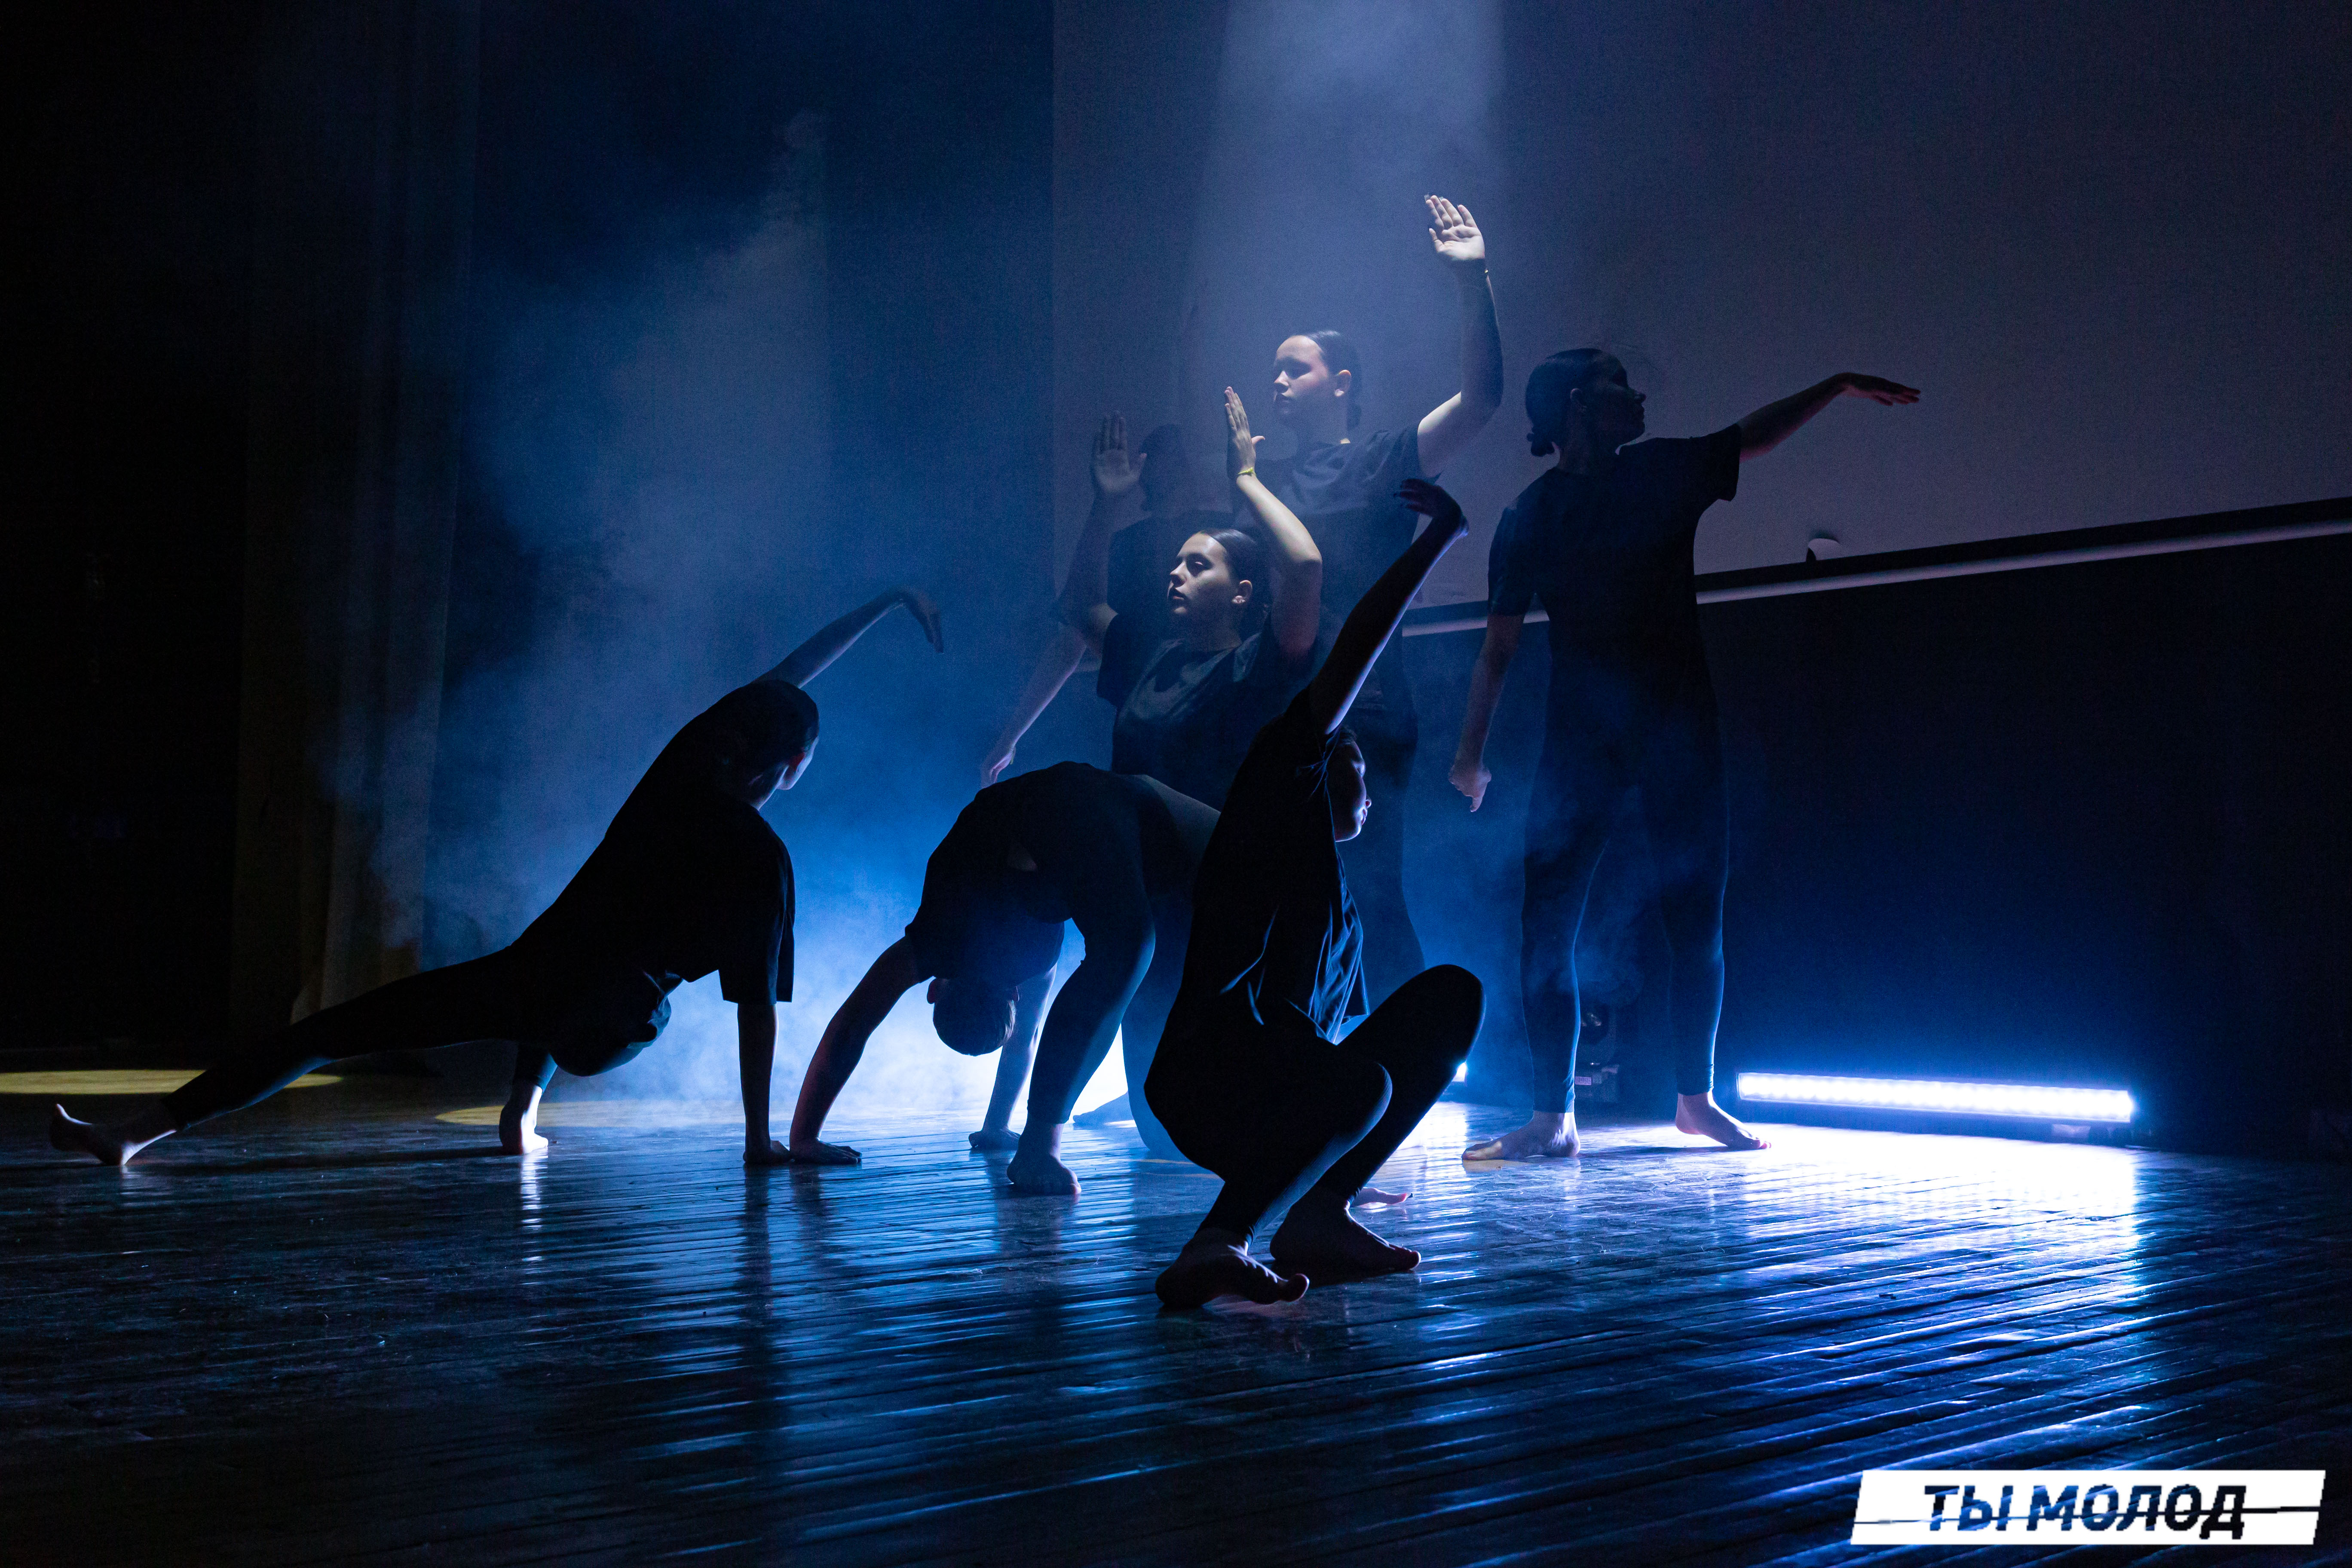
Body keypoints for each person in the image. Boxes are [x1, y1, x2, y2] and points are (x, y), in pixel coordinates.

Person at [47, 587, 944, 1168]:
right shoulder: (760, 860)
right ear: (792, 767)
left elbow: (785, 677)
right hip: (611, 1023)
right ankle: (521, 1114)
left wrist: (887, 601)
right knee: (578, 972)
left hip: (549, 987)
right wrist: (761, 1142)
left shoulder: (686, 767)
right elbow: (754, 1013)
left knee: (339, 1029)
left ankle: (136, 1133)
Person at [1452, 352, 1920, 1160]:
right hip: (1582, 742)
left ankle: (1695, 1102)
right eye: (1618, 385)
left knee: (1696, 920)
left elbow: (1751, 437)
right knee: (1546, 925)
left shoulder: (1661, 470)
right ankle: (1551, 1116)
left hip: (1678, 733)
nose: (1637, 396)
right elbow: (1497, 648)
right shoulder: (1530, 515)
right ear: (1577, 404)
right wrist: (1470, 752)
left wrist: (1834, 384)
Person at [1148, 477, 1485, 1310]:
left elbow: (1330, 1042)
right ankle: (1216, 1243)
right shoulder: (1277, 789)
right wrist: (1434, 542)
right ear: (1325, 760)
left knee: (1449, 996)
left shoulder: (1341, 912)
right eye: (1354, 759)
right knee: (1356, 1083)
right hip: (1206, 1078)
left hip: (1273, 1085)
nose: (1367, 782)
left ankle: (1317, 1214)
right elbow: (1351, 657)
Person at [1246, 195, 1505, 1008]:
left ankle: (1402, 1057)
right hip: (1279, 710)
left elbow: (1480, 404)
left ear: (1342, 383)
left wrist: (1471, 281)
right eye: (1274, 370)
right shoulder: (1262, 480)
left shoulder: (1384, 458)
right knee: (1274, 893)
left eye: (1295, 368)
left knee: (1371, 892)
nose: (1278, 381)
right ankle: (1296, 1049)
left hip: (1368, 708)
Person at [780, 763, 1217, 1194]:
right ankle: (1041, 1144)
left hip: (1088, 814)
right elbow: (855, 1021)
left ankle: (1041, 1146)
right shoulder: (946, 945)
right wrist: (994, 1127)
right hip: (1096, 804)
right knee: (1154, 937)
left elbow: (1023, 1039)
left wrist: (804, 1139)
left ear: (1011, 995)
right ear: (936, 990)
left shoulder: (994, 953)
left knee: (1133, 948)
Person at [979, 422, 1231, 786]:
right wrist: (1010, 737)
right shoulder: (1128, 546)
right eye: (1159, 457)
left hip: (1215, 706)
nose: (1179, 575)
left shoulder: (1223, 536)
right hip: (1144, 711)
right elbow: (1072, 636)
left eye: (1177, 456)